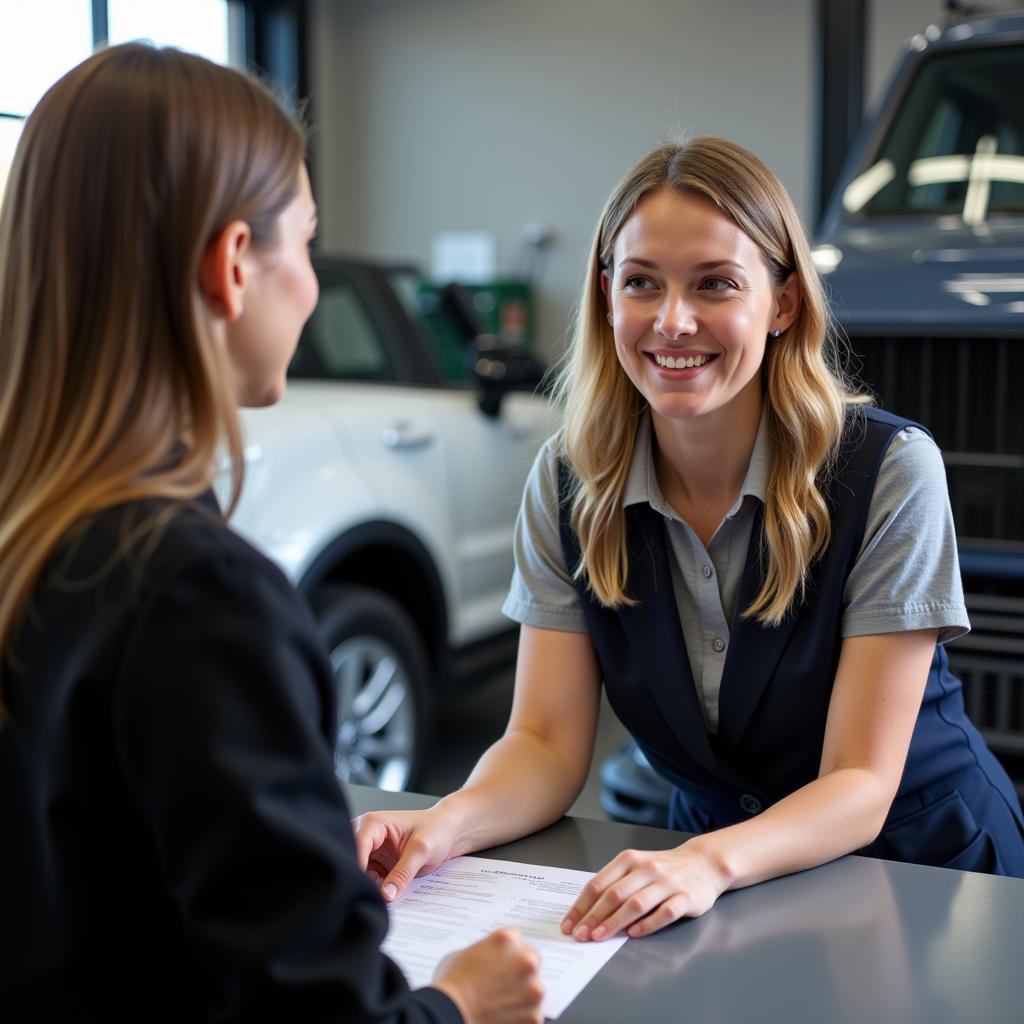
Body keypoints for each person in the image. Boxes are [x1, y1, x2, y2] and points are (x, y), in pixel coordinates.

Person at [354, 136, 1024, 944]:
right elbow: (543, 741)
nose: (673, 321)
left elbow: (859, 780)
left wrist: (708, 863)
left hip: (919, 879)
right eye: (642, 283)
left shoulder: (888, 470)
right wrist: (444, 826)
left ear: (781, 303)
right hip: (712, 888)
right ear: (607, 295)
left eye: (715, 284)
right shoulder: (569, 483)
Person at [0, 44, 543, 1024]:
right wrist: (462, 1003)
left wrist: (276, 840)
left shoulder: (30, 535)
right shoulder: (197, 596)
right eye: (305, 241)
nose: (308, 282)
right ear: (234, 265)